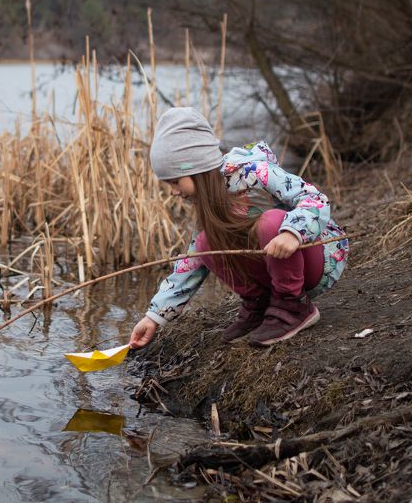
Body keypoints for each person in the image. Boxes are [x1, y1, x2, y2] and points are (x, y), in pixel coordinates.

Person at [129, 107, 348, 349]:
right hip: (275, 266)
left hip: (317, 259)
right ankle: (260, 303)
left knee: (270, 222)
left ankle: (294, 306)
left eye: (174, 181)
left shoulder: (255, 173)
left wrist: (292, 233)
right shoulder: (210, 201)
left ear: (196, 170)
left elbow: (315, 198)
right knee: (205, 243)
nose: (173, 191)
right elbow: (192, 263)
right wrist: (154, 317)